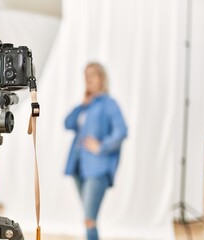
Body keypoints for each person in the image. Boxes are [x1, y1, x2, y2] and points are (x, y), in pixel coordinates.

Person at [64, 62, 128, 240]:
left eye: (92, 74)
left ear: (102, 78)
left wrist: (102, 146)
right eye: (85, 75)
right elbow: (68, 123)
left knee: (89, 218)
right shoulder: (87, 105)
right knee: (88, 216)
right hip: (78, 166)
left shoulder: (109, 104)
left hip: (98, 168)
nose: (88, 79)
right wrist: (82, 105)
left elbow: (121, 131)